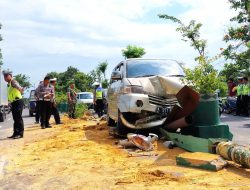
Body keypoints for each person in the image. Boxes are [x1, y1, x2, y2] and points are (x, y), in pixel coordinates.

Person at [2, 70, 24, 139]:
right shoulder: (8, 84)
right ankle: (15, 133)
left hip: (18, 101)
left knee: (18, 118)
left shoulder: (13, 81)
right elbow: (11, 94)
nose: (5, 78)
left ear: (10, 76)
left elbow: (18, 87)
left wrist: (20, 89)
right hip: (14, 102)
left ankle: (20, 134)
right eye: (4, 76)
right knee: (15, 118)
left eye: (6, 76)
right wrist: (9, 101)